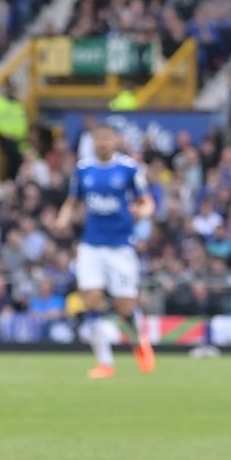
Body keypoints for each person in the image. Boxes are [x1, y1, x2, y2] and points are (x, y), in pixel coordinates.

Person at [55, 121, 156, 378]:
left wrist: (141, 212)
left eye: (108, 139)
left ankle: (140, 343)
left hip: (121, 247)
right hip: (91, 246)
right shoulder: (83, 170)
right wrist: (63, 218)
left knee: (124, 307)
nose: (103, 143)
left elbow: (147, 203)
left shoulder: (128, 169)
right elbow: (72, 201)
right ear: (93, 141)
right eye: (99, 139)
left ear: (115, 141)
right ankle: (105, 362)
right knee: (91, 301)